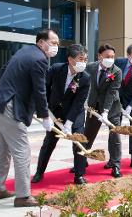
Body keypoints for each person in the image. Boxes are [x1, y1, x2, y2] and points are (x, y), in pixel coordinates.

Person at [0, 29, 59, 207]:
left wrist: (9, 88)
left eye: (57, 44)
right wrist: (45, 116)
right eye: (53, 42)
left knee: (3, 150)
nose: (56, 47)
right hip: (9, 106)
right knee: (22, 152)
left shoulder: (23, 51)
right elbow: (40, 90)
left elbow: (4, 70)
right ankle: (23, 196)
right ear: (41, 42)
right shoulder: (40, 59)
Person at [31, 44, 90, 185]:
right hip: (55, 112)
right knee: (49, 143)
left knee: (79, 143)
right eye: (80, 59)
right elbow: (43, 88)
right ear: (70, 59)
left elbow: (79, 102)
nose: (83, 62)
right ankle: (39, 172)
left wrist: (69, 123)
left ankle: (79, 175)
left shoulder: (85, 78)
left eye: (85, 59)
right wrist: (44, 111)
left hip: (75, 114)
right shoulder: (57, 69)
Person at [103, 43, 132, 170]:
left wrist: (130, 106)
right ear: (128, 55)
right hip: (117, 101)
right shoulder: (119, 62)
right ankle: (113, 159)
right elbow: (111, 79)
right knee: (114, 129)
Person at [83, 44, 123, 178]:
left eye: (112, 57)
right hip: (93, 106)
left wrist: (105, 111)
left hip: (112, 108)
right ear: (100, 56)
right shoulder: (90, 67)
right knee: (88, 134)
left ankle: (115, 164)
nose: (110, 59)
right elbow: (84, 84)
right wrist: (83, 100)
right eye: (107, 56)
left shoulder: (116, 71)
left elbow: (112, 92)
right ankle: (82, 160)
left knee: (115, 135)